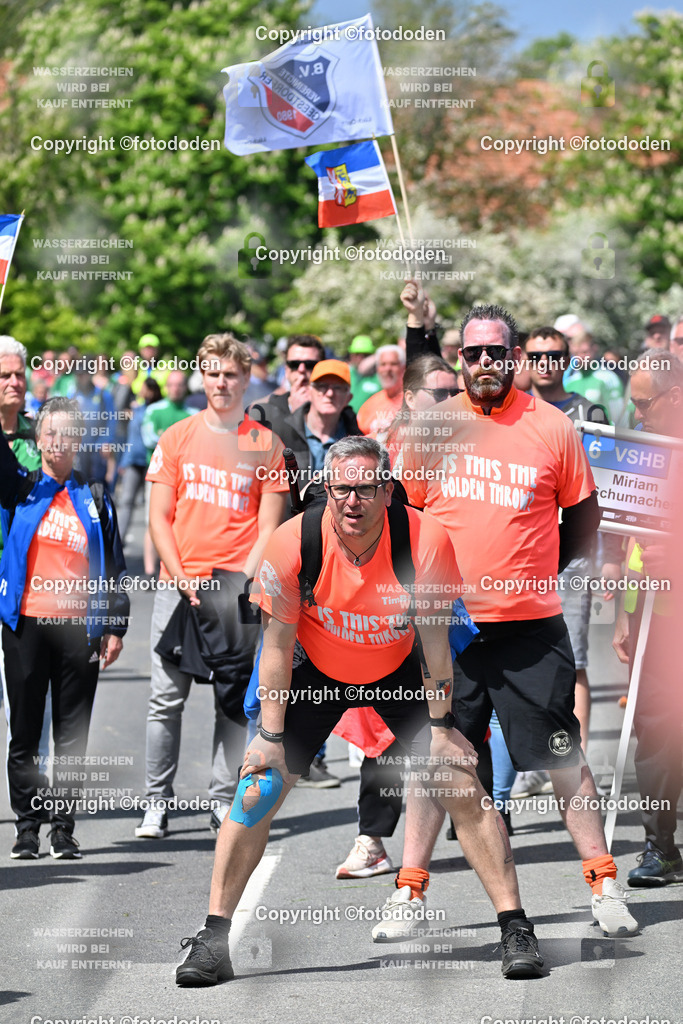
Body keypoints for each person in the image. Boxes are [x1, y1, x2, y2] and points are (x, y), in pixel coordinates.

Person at [175, 437, 544, 986]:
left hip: (398, 669)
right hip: (316, 670)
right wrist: (270, 736)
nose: (353, 501)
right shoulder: (292, 542)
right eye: (342, 489)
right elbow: (275, 648)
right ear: (326, 490)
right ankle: (212, 938)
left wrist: (442, 729)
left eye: (366, 489)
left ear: (388, 491)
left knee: (460, 782)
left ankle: (515, 927)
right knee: (257, 791)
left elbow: (436, 643)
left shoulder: (424, 540)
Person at [398, 303, 638, 938]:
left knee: (562, 756)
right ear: (459, 358)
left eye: (496, 353)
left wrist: (534, 571)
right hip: (450, 629)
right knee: (437, 760)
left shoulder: (554, 427)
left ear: (516, 359)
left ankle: (604, 885)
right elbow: (407, 520)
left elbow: (584, 520)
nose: (484, 364)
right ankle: (409, 895)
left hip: (531, 627)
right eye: (472, 353)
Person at [134, 333, 287, 839]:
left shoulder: (263, 443)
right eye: (213, 373)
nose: (222, 382)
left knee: (229, 701)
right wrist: (178, 575)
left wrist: (241, 581)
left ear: (247, 379)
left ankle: (222, 798)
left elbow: (270, 527)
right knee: (165, 700)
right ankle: (156, 803)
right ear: (202, 376)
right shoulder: (177, 436)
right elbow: (159, 517)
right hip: (178, 586)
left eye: (232, 374)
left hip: (234, 591)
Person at [335, 355, 461, 880]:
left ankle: (485, 821)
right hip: (402, 604)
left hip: (463, 599)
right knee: (384, 728)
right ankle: (372, 839)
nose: (450, 401)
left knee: (461, 720)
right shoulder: (394, 454)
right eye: (438, 392)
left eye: (453, 391)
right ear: (410, 399)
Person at [0, 397, 129, 859]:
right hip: (26, 627)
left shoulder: (94, 496)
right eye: (50, 432)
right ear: (38, 441)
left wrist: (116, 626)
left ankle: (63, 829)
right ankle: (27, 828)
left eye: (67, 433)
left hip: (80, 631)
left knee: (72, 735)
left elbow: (115, 568)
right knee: (26, 732)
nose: (58, 441)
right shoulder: (21, 490)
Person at [612, 354, 683, 887]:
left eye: (643, 403)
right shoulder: (640, 450)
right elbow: (626, 531)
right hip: (649, 621)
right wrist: (621, 615)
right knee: (654, 738)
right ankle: (660, 848)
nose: (635, 415)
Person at [115, 377, 162, 545]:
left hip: (152, 461)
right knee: (127, 500)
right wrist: (124, 461)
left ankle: (155, 543)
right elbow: (131, 437)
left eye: (143, 388)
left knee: (153, 506)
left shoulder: (156, 410)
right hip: (133, 460)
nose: (140, 391)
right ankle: (118, 540)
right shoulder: (138, 409)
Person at [356, 345, 406, 442]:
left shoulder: (413, 401)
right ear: (377, 368)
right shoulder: (369, 405)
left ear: (403, 367)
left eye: (393, 364)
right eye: (383, 364)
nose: (387, 369)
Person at [347, 335, 380, 412]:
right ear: (351, 355)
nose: (360, 358)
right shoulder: (346, 374)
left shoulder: (379, 378)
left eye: (365, 355)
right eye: (357, 354)